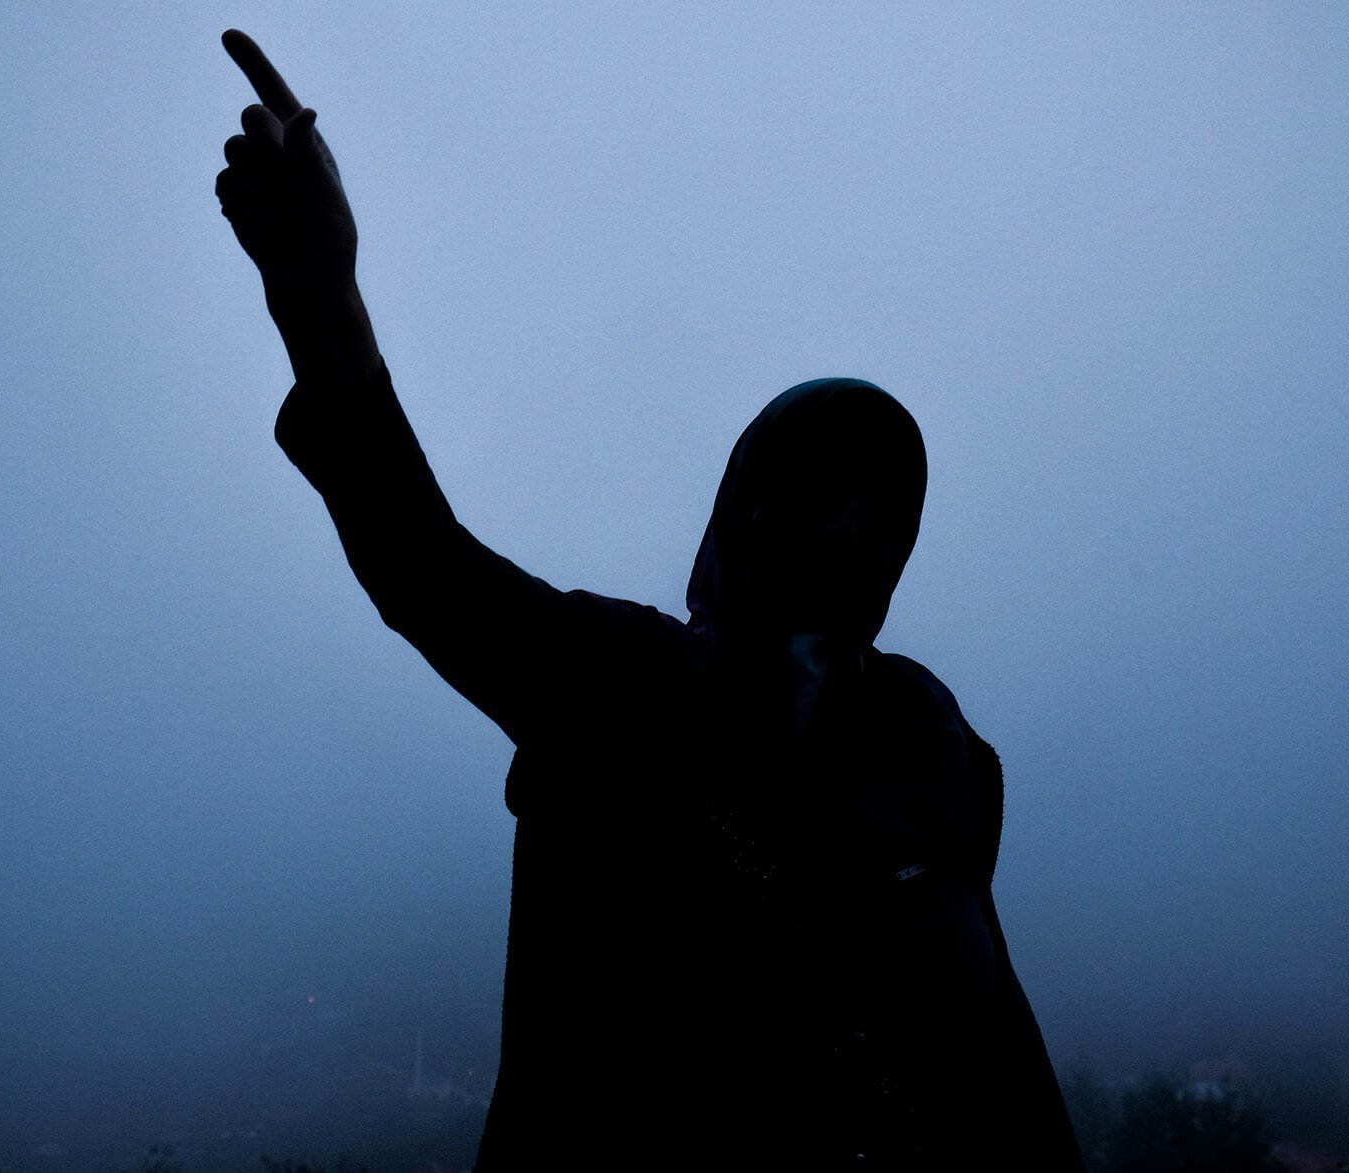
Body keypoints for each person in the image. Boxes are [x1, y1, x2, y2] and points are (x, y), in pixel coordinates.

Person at [215, 29, 1083, 1171]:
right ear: (734, 515)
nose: (817, 522)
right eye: (784, 486)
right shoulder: (618, 682)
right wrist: (319, 300)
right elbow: (420, 562)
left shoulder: (934, 748)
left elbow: (992, 1058)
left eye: (862, 498)